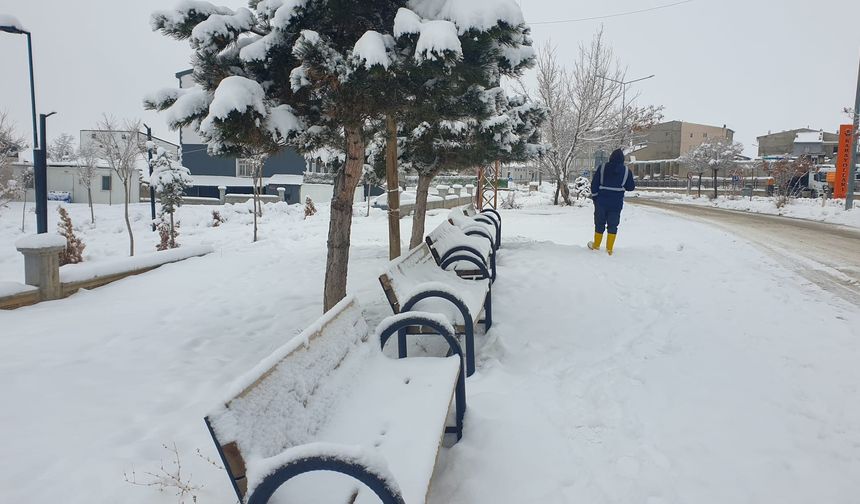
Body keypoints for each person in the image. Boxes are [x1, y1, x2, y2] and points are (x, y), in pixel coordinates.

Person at [588, 148, 635, 255]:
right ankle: (609, 249)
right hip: (616, 203)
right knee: (613, 224)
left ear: (611, 157)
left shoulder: (602, 168)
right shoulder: (627, 171)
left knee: (599, 223)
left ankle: (596, 245)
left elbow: (594, 184)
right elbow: (631, 187)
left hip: (601, 201)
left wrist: (595, 197)